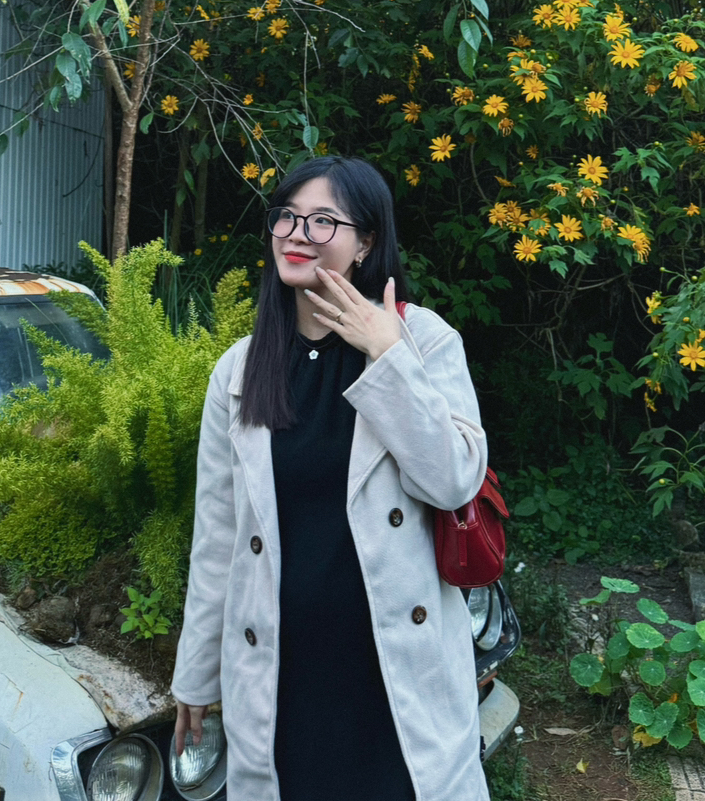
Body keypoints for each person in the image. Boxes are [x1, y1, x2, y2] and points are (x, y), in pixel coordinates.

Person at [171, 156, 489, 801]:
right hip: (283, 672)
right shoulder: (240, 369)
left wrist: (387, 353)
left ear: (365, 241)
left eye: (323, 221)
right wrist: (196, 677)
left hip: (392, 671)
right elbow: (218, 537)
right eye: (286, 217)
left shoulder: (421, 340)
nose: (297, 234)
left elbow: (455, 480)